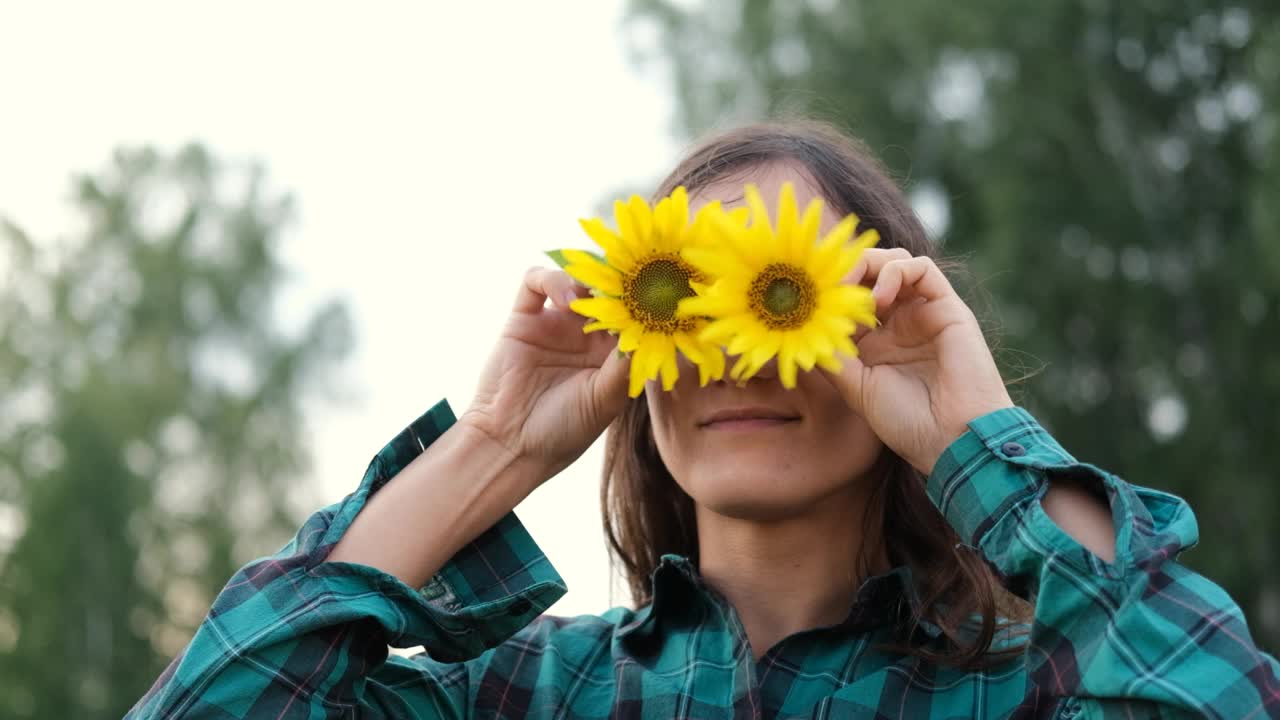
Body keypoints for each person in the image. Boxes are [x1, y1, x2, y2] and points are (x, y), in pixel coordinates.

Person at [127, 120, 1279, 719]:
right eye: (684, 293)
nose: (733, 345)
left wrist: (971, 432)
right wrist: (489, 446)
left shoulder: (1024, 694)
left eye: (784, 291)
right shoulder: (519, 697)